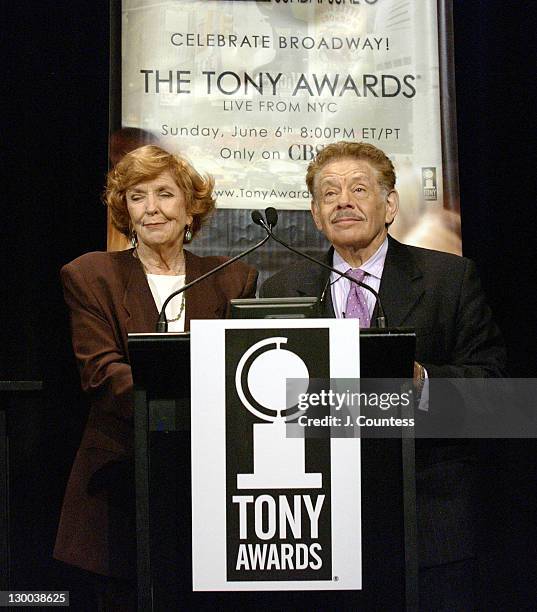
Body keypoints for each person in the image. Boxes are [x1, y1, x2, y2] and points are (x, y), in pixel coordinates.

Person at [260, 141, 506, 608]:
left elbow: (495, 392)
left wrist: (422, 382)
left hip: (427, 514)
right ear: (314, 214)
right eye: (328, 194)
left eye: (358, 189)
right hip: (317, 521)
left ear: (389, 205)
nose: (343, 202)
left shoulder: (448, 278)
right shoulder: (282, 288)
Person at [54, 145, 257, 601]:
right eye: (136, 196)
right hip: (120, 475)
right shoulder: (91, 275)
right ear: (124, 211)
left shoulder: (233, 278)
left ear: (190, 209)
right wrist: (184, 407)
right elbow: (101, 373)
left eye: (164, 194)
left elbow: (240, 372)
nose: (151, 209)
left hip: (212, 479)